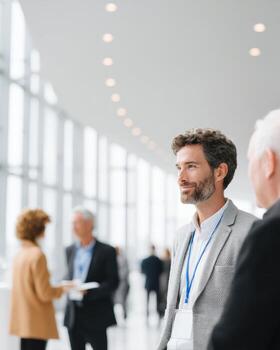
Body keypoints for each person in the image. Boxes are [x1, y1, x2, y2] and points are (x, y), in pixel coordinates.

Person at [157, 128, 256, 350]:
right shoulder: (182, 236)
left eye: (191, 167)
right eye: (179, 168)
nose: (181, 178)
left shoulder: (251, 231)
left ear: (219, 172)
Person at [208, 110, 280, 350]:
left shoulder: (270, 233)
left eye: (251, 162)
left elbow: (236, 338)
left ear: (269, 162)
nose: (250, 174)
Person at [9, 209, 72, 350]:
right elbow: (45, 293)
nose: (45, 232)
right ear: (37, 229)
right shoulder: (37, 255)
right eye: (44, 227)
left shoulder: (19, 255)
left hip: (23, 321)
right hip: (36, 322)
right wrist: (63, 288)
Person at [64, 206, 119, 350]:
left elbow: (113, 281)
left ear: (89, 224)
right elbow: (70, 274)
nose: (73, 227)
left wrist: (90, 292)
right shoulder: (70, 250)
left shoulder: (107, 251)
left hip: (97, 316)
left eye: (76, 222)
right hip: (73, 316)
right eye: (72, 223)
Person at [141, 244, 163, 318]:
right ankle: (158, 312)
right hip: (156, 281)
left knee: (148, 298)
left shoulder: (145, 260)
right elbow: (161, 271)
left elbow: (142, 271)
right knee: (157, 299)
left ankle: (147, 313)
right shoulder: (158, 260)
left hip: (149, 282)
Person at [113, 246, 130, 319]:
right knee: (122, 300)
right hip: (120, 283)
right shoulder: (114, 259)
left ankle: (124, 313)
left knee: (121, 300)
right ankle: (124, 314)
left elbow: (125, 272)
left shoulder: (121, 259)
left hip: (121, 283)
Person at [159, 248, 171, 317]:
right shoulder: (169, 261)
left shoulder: (163, 261)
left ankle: (163, 312)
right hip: (165, 280)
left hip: (164, 280)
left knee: (164, 296)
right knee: (165, 296)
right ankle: (163, 311)